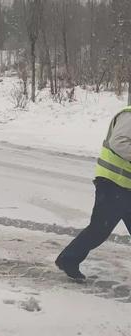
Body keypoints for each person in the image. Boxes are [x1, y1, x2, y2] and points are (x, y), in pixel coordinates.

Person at [56, 107, 131, 280]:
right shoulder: (129, 116)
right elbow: (118, 142)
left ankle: (69, 259)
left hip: (126, 186)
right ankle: (68, 259)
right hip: (113, 184)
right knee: (99, 228)